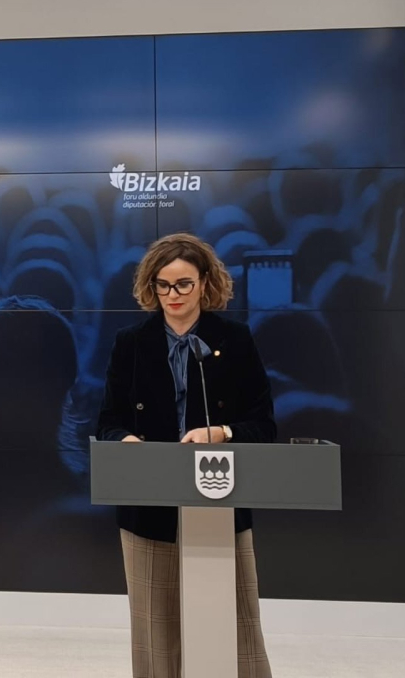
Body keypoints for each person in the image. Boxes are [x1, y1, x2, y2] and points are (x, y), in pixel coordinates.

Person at [97, 233, 276, 678]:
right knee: (155, 631)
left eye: (183, 284)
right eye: (162, 285)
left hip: (219, 495)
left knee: (235, 627)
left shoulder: (234, 339)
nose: (172, 294)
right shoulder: (131, 342)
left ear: (205, 283)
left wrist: (222, 432)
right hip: (147, 499)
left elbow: (262, 424)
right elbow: (108, 420)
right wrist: (125, 440)